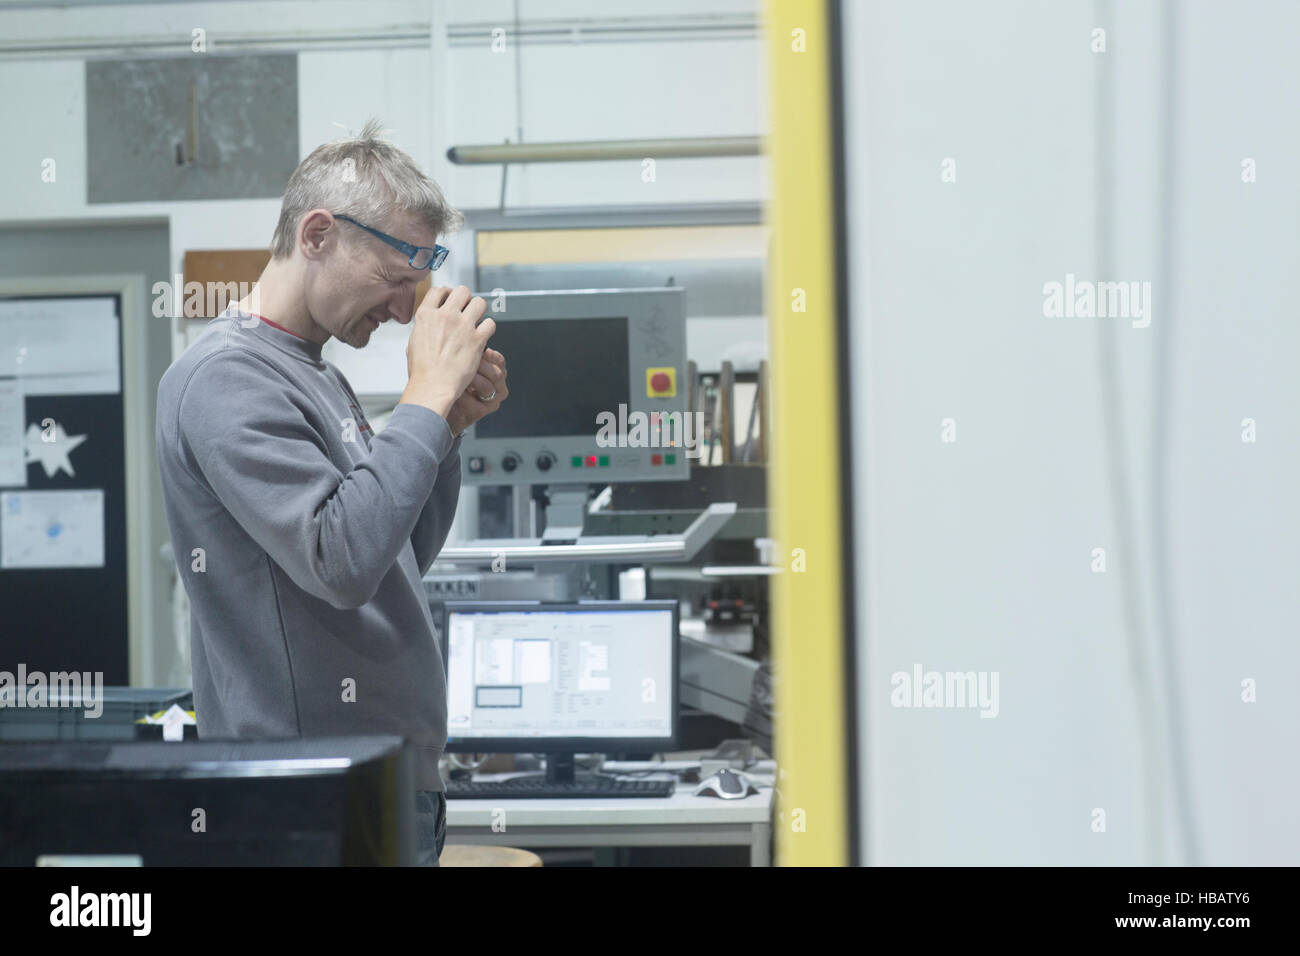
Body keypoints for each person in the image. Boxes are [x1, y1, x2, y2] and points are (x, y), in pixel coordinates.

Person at [155, 119, 507, 866]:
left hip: (372, 786)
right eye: (395, 277)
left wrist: (444, 425)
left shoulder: (317, 372)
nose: (408, 309)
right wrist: (423, 395)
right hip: (309, 800)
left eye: (420, 285)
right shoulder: (226, 377)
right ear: (317, 234)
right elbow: (339, 560)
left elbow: (390, 556)